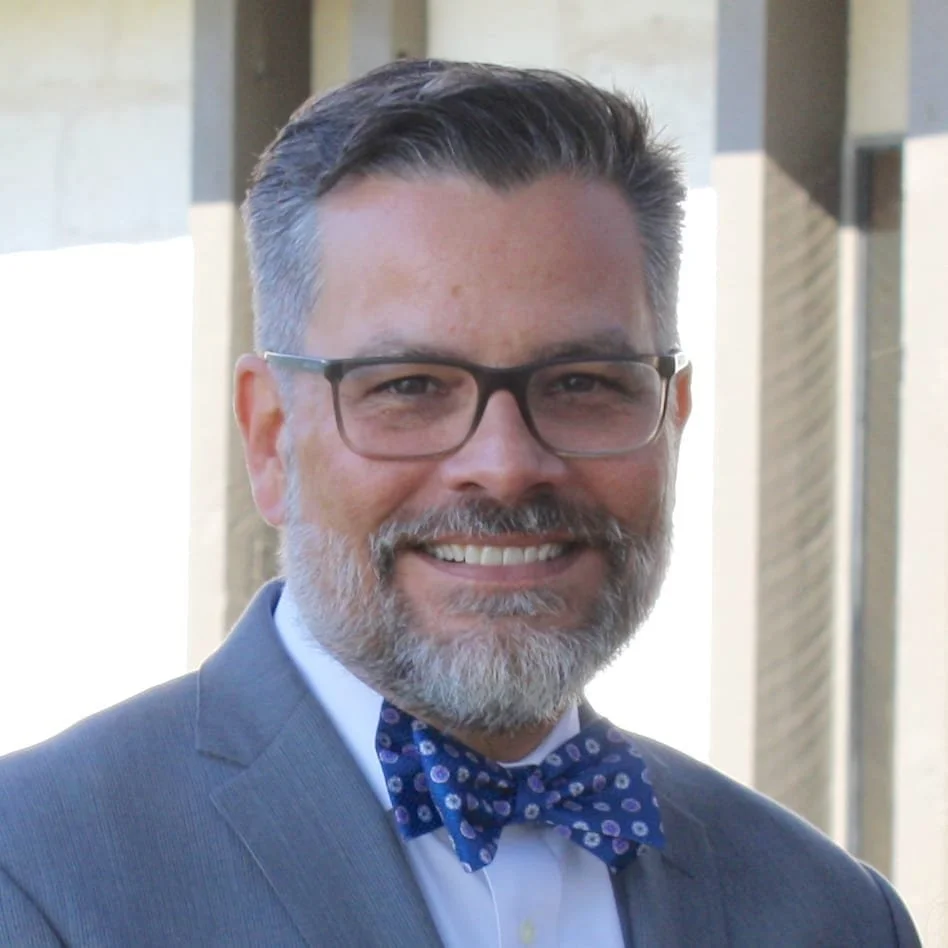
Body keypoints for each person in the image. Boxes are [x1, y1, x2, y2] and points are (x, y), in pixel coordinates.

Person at [0, 59, 919, 948]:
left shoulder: (829, 914)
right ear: (271, 435)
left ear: (671, 420)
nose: (507, 465)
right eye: (410, 386)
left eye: (584, 382)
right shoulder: (37, 875)